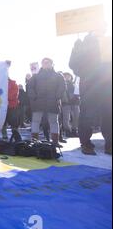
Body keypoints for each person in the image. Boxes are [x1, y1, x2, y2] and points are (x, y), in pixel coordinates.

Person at [69, 27, 112, 155]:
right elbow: (73, 64)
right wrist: (86, 72)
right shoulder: (82, 43)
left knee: (109, 114)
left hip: (107, 84)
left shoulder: (108, 42)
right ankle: (86, 144)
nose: (101, 30)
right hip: (90, 84)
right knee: (87, 114)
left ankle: (110, 144)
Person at [28, 58, 66, 147]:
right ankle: (34, 141)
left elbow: (62, 87)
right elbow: (30, 87)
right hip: (38, 102)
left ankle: (55, 142)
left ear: (52, 64)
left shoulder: (58, 76)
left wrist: (57, 96)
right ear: (41, 64)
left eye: (48, 62)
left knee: (54, 122)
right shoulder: (36, 76)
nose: (46, 64)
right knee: (36, 121)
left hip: (53, 101)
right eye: (44, 62)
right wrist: (34, 97)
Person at [61, 72, 79, 138]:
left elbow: (77, 92)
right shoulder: (62, 84)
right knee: (66, 118)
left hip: (75, 102)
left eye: (68, 76)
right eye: (65, 76)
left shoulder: (74, 84)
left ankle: (74, 130)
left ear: (71, 77)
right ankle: (67, 131)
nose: (67, 77)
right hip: (66, 103)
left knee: (77, 116)